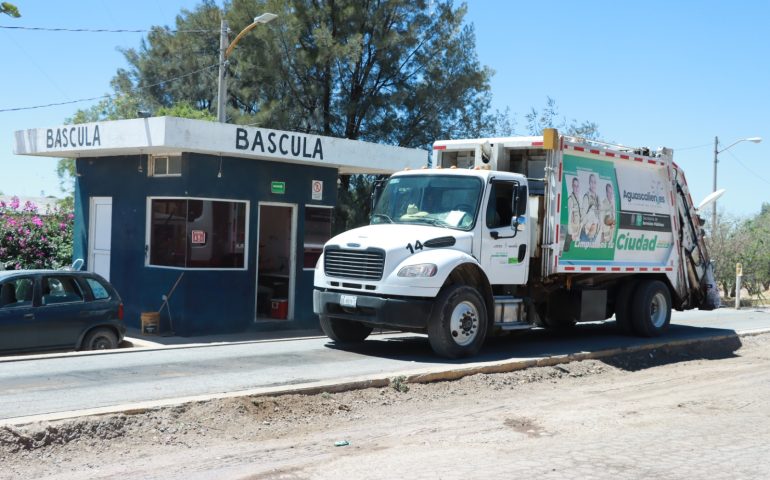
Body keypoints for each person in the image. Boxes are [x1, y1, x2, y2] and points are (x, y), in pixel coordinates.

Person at [580, 173, 600, 242]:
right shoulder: (587, 197)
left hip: (593, 236)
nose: (593, 184)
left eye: (595, 182)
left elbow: (599, 216)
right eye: (592, 182)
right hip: (586, 235)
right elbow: (583, 217)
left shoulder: (597, 198)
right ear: (589, 183)